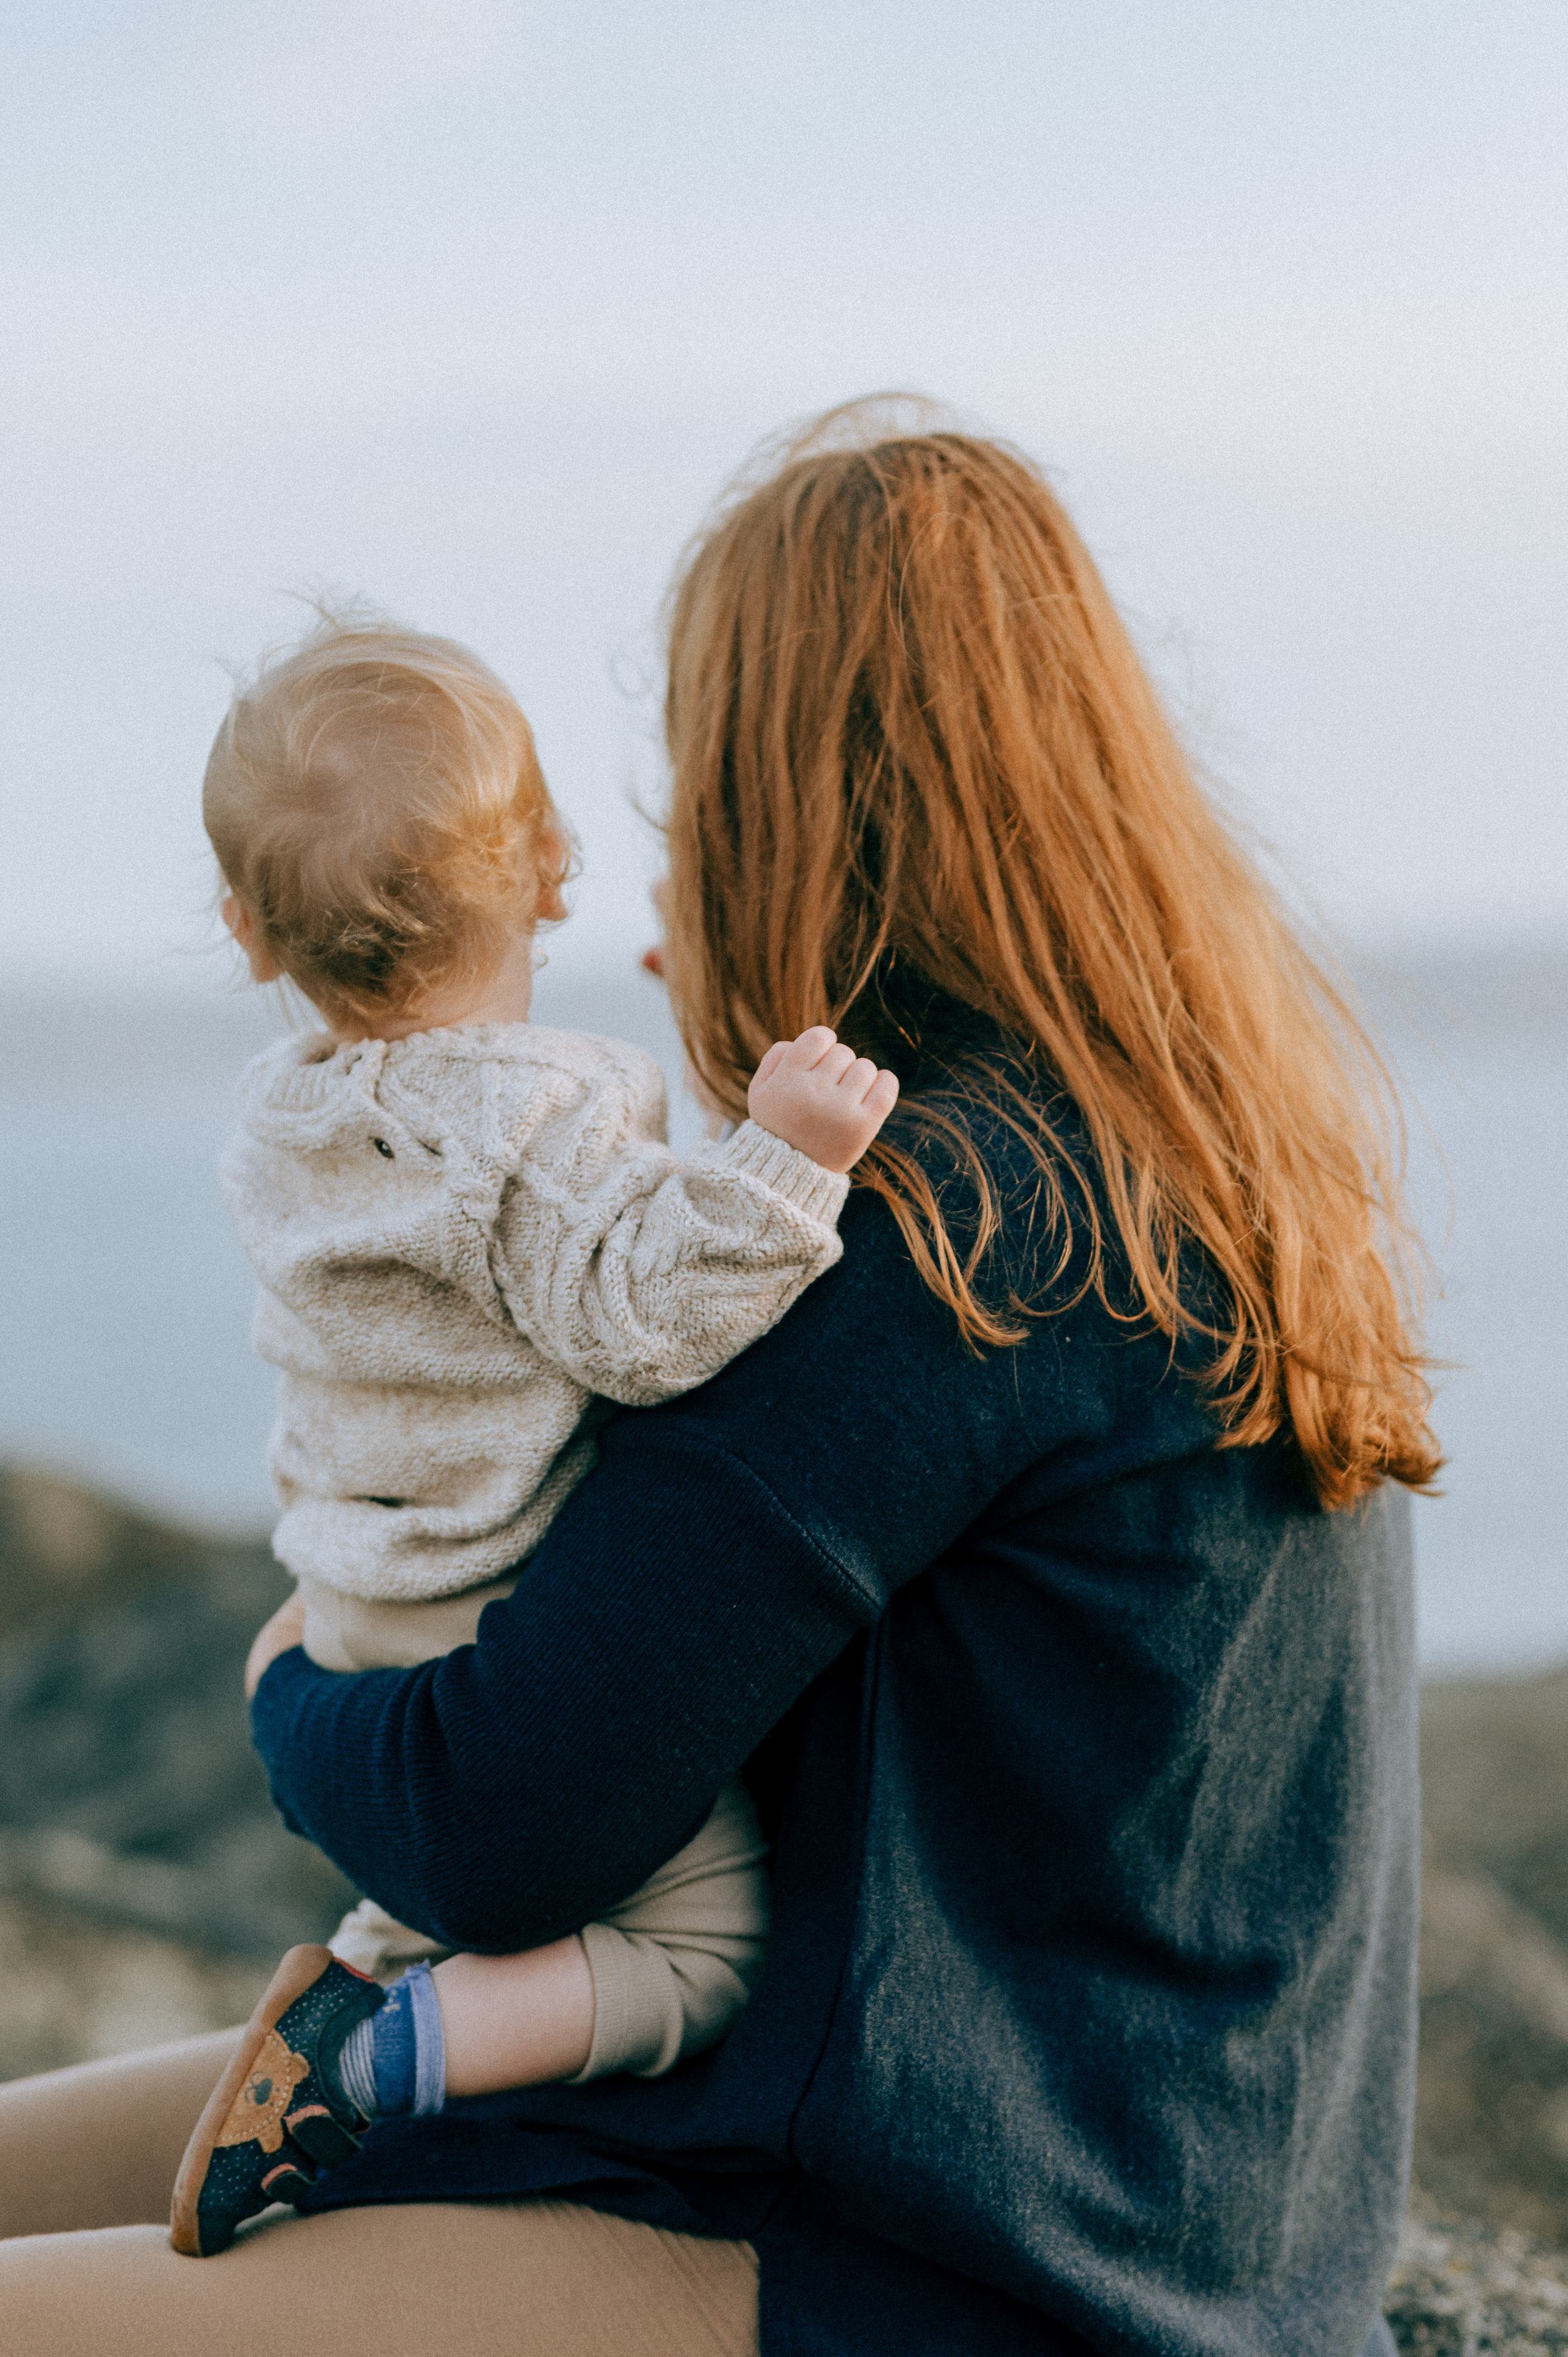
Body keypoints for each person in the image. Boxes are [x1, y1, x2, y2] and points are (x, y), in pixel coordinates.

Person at [0, 407, 1438, 2356]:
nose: (666, 886)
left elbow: (493, 1824)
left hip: (934, 2274)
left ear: (794, 811)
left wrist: (283, 1691)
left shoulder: (956, 1243)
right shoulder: (1204, 1164)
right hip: (1083, 2212)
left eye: (697, 799)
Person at [177, 613, 899, 2255]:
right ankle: (375, 2061)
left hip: (349, 1593)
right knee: (700, 1951)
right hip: (485, 1608)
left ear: (248, 931)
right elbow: (641, 1322)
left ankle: (359, 1993)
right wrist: (784, 1159)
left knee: (434, 1902)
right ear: (554, 868)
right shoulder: (529, 1118)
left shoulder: (285, 1125)